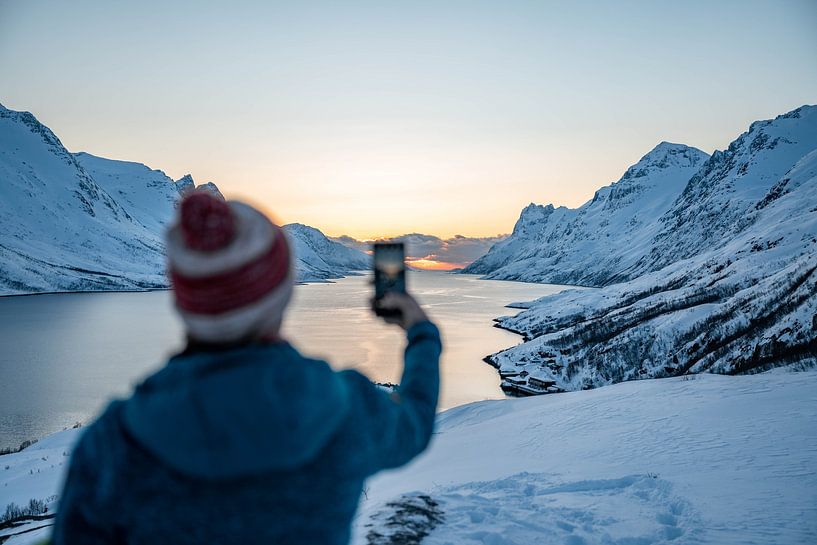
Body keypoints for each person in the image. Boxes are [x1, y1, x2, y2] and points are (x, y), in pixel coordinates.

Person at [52, 192, 441, 544]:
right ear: (282, 295)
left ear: (185, 302)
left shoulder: (113, 444)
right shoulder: (346, 410)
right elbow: (416, 423)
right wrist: (420, 330)